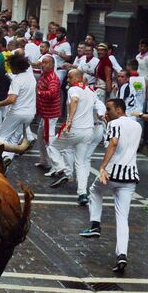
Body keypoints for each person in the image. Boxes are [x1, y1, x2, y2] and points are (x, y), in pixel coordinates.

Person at [80, 98, 141, 273]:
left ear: (119, 110)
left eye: (109, 109)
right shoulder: (137, 126)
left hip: (113, 172)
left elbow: (112, 144)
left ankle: (95, 224)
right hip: (130, 176)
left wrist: (102, 167)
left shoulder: (115, 124)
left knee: (94, 190)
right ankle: (122, 254)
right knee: (122, 217)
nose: (107, 112)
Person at [46, 69, 98, 205]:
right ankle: (82, 194)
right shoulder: (91, 92)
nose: (67, 80)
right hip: (88, 132)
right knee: (80, 163)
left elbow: (74, 100)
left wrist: (69, 120)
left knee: (52, 147)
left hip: (75, 129)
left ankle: (61, 169)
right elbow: (97, 107)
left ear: (78, 78)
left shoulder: (73, 89)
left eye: (69, 77)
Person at [0, 52, 37, 166]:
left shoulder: (17, 80)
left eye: (11, 66)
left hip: (17, 112)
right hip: (30, 113)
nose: (10, 69)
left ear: (16, 67)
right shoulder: (30, 76)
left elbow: (11, 99)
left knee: (3, 137)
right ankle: (6, 159)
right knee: (14, 139)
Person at [35, 56, 62, 169]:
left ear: (52, 65)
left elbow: (52, 93)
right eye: (43, 63)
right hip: (45, 114)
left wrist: (40, 93)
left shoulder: (53, 78)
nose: (43, 65)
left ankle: (56, 166)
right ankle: (44, 161)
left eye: (46, 63)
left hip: (50, 115)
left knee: (48, 139)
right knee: (41, 137)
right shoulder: (43, 75)